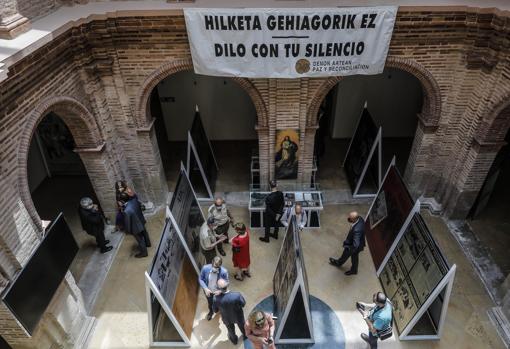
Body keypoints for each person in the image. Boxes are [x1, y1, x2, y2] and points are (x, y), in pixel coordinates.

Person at [329, 211, 366, 275]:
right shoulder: (360, 219)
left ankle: (339, 263)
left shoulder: (357, 230)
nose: (348, 218)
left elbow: (355, 245)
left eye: (350, 218)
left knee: (347, 255)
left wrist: (348, 247)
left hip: (354, 247)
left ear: (355, 219)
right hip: (358, 244)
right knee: (354, 258)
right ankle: (353, 270)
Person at [213, 279, 247, 345]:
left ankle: (234, 341)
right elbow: (243, 304)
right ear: (228, 285)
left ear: (218, 288)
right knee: (243, 327)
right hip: (238, 316)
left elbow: (215, 310)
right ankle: (245, 336)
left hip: (227, 318)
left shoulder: (216, 298)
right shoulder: (237, 295)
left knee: (231, 330)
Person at [120, 192, 151, 258]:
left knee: (140, 239)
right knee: (145, 233)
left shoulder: (126, 211)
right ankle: (148, 244)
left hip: (136, 226)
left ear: (122, 201)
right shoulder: (134, 200)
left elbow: (127, 222)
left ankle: (144, 253)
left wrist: (128, 231)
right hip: (141, 220)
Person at [198, 256, 229, 321]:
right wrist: (205, 289)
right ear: (212, 263)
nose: (216, 268)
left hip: (218, 293)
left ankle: (221, 311)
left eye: (218, 267)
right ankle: (211, 312)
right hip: (208, 291)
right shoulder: (205, 268)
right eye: (214, 266)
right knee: (210, 303)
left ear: (220, 266)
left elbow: (227, 283)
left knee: (220, 303)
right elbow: (200, 279)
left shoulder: (224, 272)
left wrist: (220, 291)